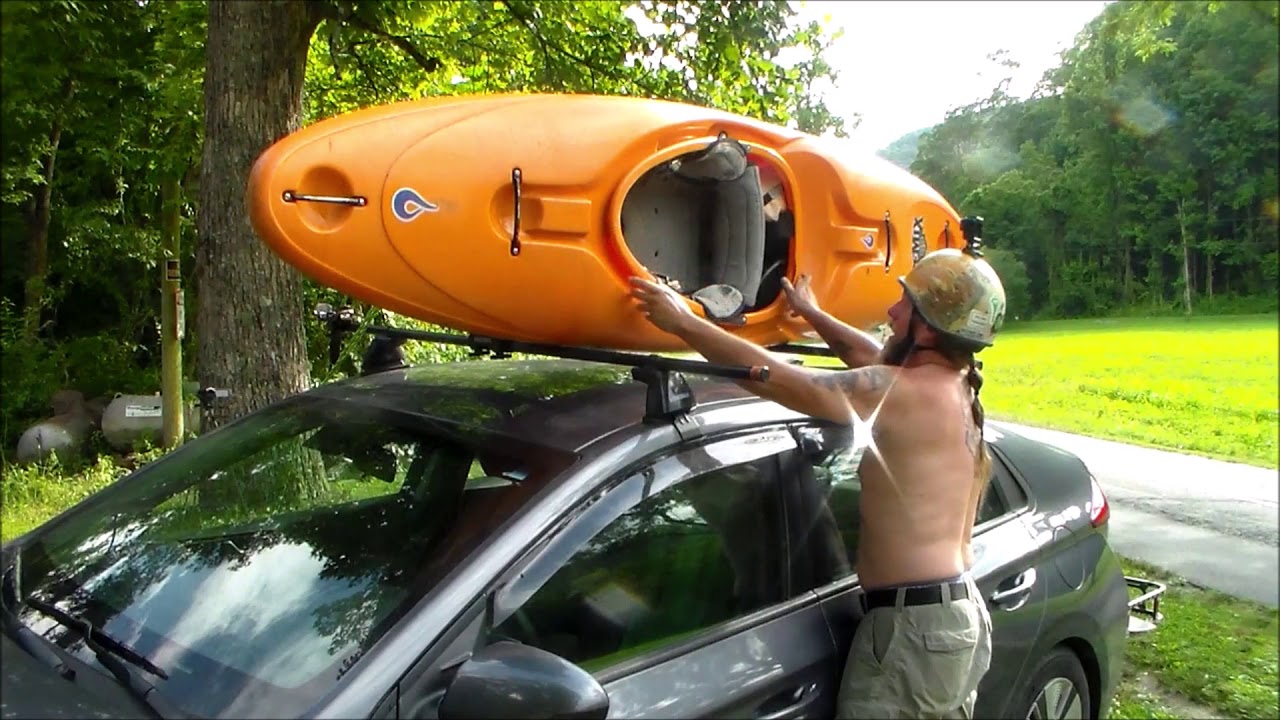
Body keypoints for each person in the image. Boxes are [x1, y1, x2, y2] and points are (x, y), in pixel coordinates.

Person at [629, 246, 1006, 719]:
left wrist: (683, 321)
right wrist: (812, 315)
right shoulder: (953, 383)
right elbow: (867, 355)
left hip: (913, 632)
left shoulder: (901, 393)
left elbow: (786, 382)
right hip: (950, 622)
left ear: (927, 328)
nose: (891, 311)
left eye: (904, 304)